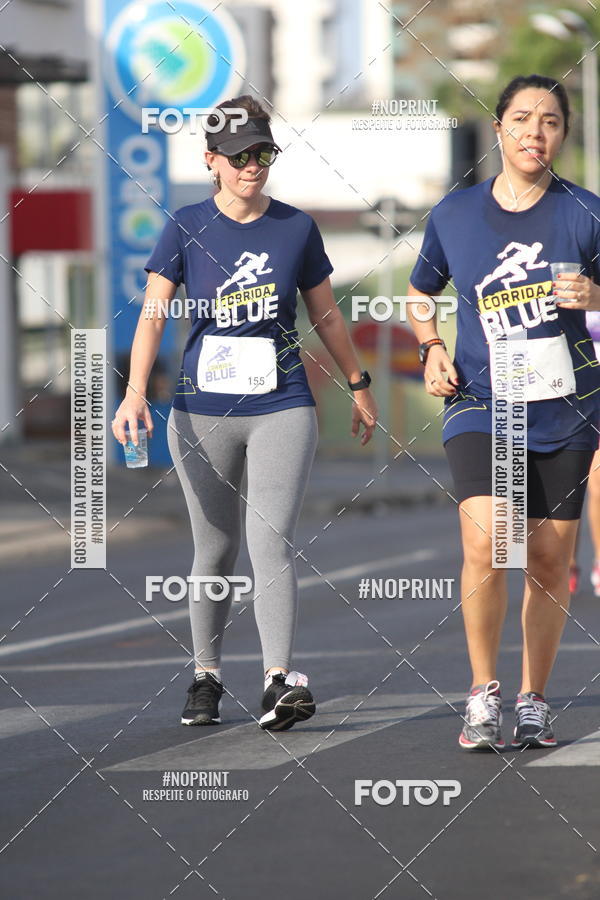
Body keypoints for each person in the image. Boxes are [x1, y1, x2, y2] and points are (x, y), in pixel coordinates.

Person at [112, 95, 377, 731]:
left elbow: (327, 315)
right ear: (212, 161)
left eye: (261, 153)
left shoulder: (296, 228)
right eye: (238, 157)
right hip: (200, 412)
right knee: (217, 546)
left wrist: (359, 382)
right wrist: (133, 392)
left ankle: (279, 681)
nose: (251, 166)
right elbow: (153, 314)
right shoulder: (186, 225)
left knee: (270, 540)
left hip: (281, 404)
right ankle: (205, 678)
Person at [407, 74, 600, 751]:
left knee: (549, 561)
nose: (535, 132)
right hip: (481, 403)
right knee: (489, 540)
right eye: (522, 118)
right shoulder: (455, 214)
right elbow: (419, 292)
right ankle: (483, 692)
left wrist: (596, 294)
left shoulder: (587, 212)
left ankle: (533, 699)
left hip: (567, 407)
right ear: (498, 129)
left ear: (563, 134)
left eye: (550, 121)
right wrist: (431, 347)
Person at [568, 310, 600, 596]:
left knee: (599, 485)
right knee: (567, 484)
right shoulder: (563, 273)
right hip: (569, 392)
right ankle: (566, 561)